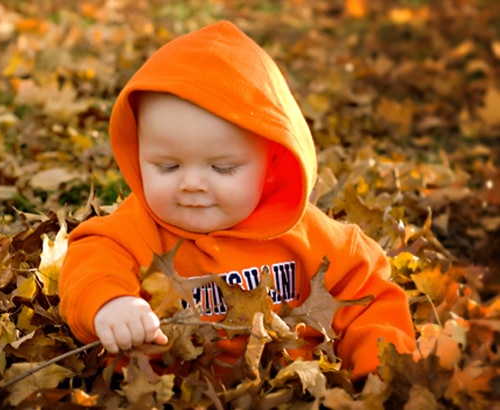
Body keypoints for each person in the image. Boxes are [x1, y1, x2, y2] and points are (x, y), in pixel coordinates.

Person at [58, 20, 416, 382]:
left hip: (295, 389)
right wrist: (110, 303)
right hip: (169, 394)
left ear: (271, 165)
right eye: (167, 166)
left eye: (223, 168)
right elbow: (89, 260)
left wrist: (379, 378)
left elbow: (371, 298)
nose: (192, 184)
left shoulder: (313, 237)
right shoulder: (134, 228)